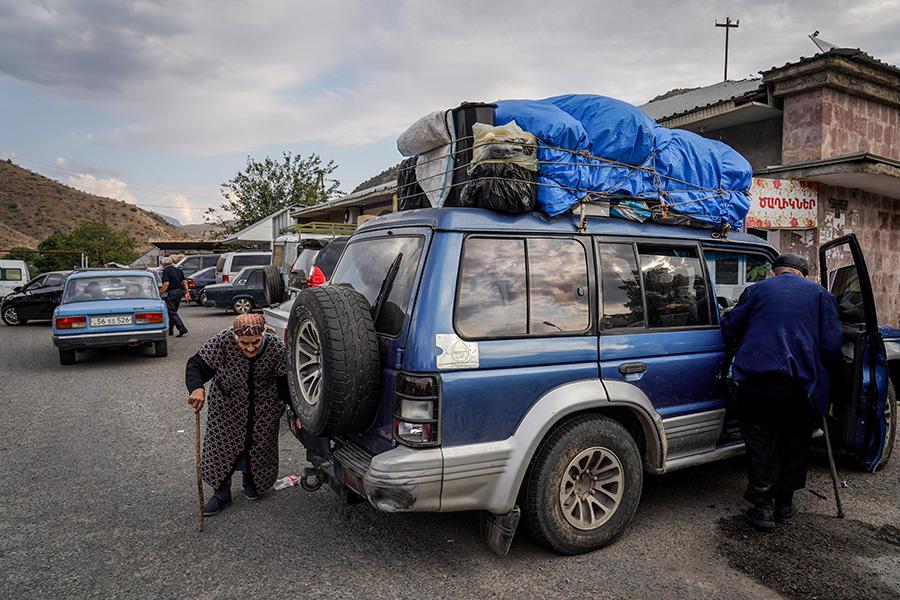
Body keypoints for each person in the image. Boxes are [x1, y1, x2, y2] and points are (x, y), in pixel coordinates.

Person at [721, 253, 842, 530]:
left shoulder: (756, 290)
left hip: (757, 379)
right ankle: (784, 505)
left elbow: (730, 327)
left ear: (775, 272)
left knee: (761, 441)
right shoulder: (821, 295)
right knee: (795, 440)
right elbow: (832, 345)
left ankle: (762, 507)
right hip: (800, 384)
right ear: (803, 273)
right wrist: (828, 379)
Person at [185, 313, 291, 516]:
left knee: (260, 448)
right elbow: (196, 365)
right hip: (227, 406)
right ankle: (221, 494)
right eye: (244, 343)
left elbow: (285, 384)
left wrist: (296, 413)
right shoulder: (224, 340)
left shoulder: (276, 346)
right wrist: (196, 387)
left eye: (255, 342)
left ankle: (253, 484)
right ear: (235, 337)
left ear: (263, 335)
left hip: (264, 408)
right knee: (221, 449)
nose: (250, 348)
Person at [160, 257, 189, 337]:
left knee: (172, 313)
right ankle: (171, 331)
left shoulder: (165, 271)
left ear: (163, 265)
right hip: (179, 293)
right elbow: (184, 282)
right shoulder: (178, 270)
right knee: (173, 312)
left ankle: (182, 328)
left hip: (171, 293)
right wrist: (187, 293)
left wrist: (160, 293)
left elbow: (166, 284)